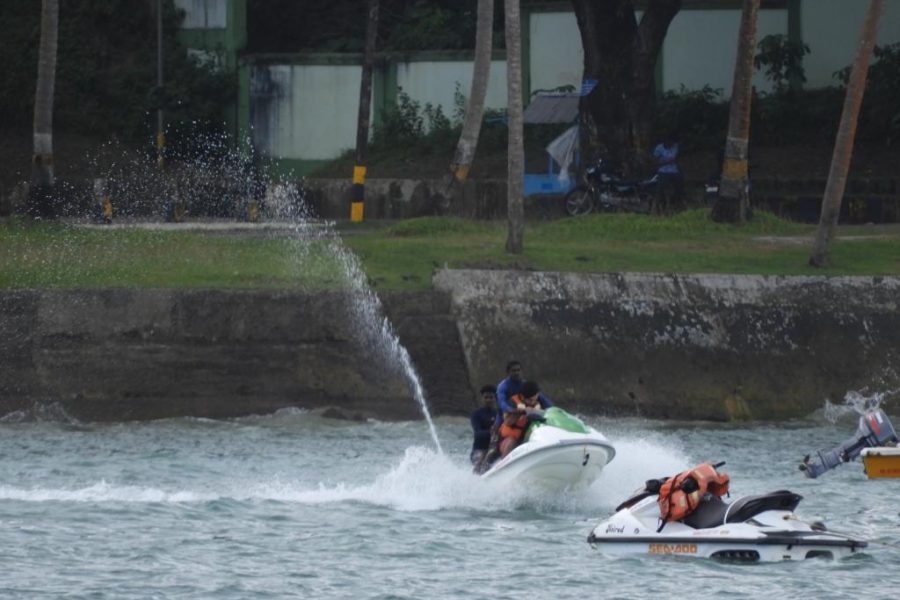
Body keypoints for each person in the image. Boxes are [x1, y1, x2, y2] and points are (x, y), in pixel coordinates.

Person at [498, 380, 550, 457]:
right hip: (507, 440)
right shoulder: (512, 403)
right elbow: (507, 422)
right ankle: (504, 464)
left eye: (535, 399)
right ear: (522, 397)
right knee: (511, 442)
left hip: (527, 439)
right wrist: (521, 412)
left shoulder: (536, 404)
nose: (533, 402)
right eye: (530, 400)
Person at [653, 134, 684, 214]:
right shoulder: (659, 148)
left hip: (674, 170)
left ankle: (677, 201)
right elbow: (655, 161)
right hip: (663, 171)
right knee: (661, 187)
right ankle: (659, 204)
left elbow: (676, 159)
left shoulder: (675, 147)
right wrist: (666, 162)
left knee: (679, 184)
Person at [469, 385, 498, 466]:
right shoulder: (476, 414)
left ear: (495, 398)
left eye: (491, 397)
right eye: (486, 397)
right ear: (482, 398)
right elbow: (477, 433)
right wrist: (492, 432)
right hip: (479, 450)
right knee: (481, 461)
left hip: (494, 449)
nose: (488, 400)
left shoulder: (498, 414)